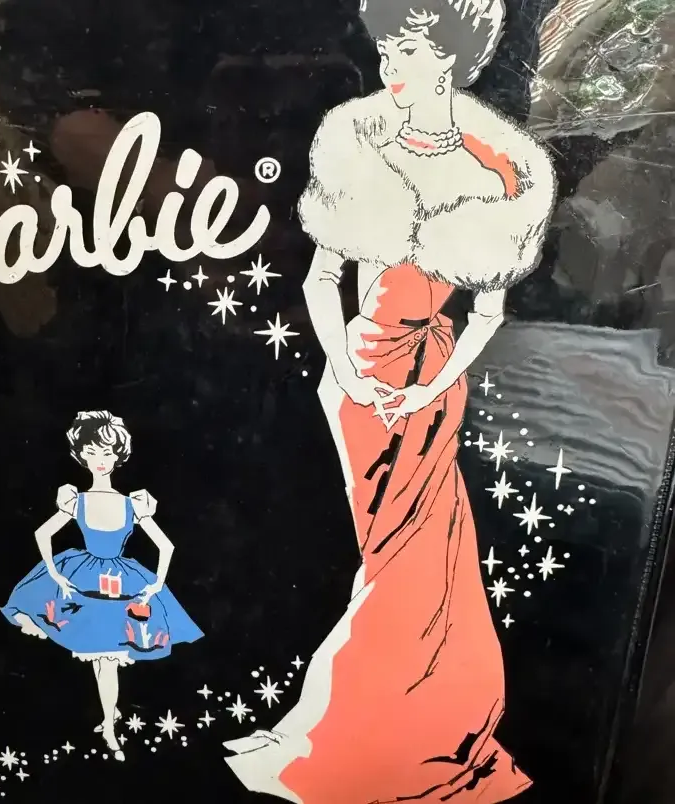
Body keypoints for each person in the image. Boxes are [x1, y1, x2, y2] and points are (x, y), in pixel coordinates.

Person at [223, 0, 556, 802]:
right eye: (385, 50)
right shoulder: (359, 148)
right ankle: (354, 728)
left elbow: (488, 315)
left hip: (429, 381)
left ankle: (381, 729)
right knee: (389, 556)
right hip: (355, 380)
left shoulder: (492, 176)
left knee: (423, 557)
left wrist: (432, 386)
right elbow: (319, 279)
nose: (387, 67)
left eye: (405, 51)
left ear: (447, 57)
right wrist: (347, 370)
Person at [1, 410, 203, 761]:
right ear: (81, 454)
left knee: (107, 658)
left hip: (122, 586)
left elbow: (166, 546)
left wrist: (156, 584)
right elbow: (42, 533)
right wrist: (55, 574)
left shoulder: (132, 504)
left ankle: (110, 725)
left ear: (118, 456)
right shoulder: (76, 500)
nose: (100, 459)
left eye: (107, 452)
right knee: (101, 654)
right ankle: (110, 713)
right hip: (85, 583)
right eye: (92, 451)